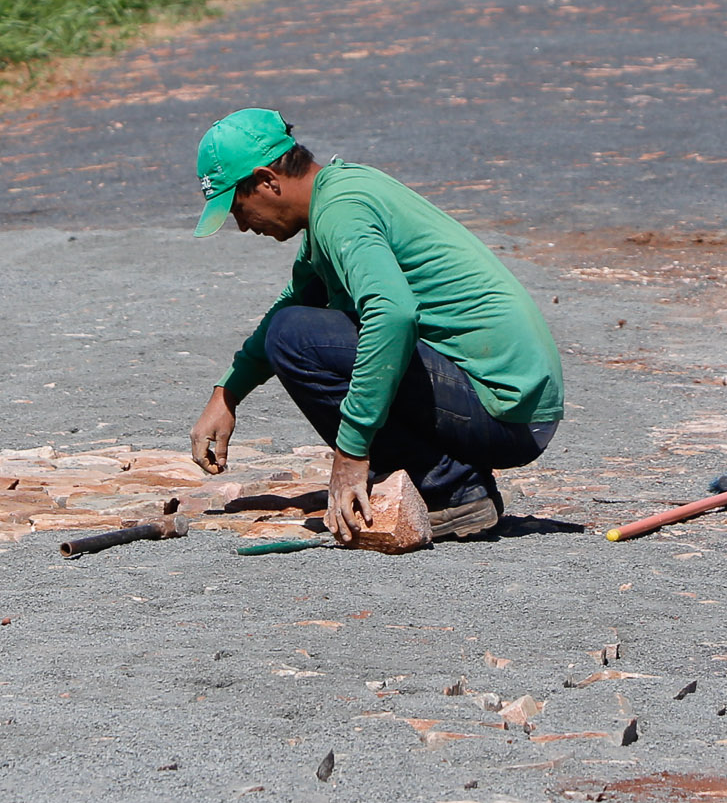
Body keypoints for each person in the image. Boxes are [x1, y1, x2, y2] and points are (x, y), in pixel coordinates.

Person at [186, 109, 563, 549]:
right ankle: (441, 479)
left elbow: (392, 314)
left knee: (295, 336)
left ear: (268, 180)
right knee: (293, 326)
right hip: (507, 406)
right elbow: (296, 299)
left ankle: (450, 489)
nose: (244, 225)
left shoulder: (342, 211)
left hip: (506, 410)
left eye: (238, 207)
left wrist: (351, 452)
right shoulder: (336, 198)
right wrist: (227, 393)